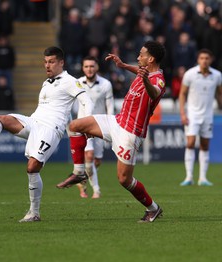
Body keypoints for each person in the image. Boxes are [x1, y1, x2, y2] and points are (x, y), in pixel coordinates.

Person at [0, 46, 93, 222]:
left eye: (51, 62)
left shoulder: (70, 81)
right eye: (45, 62)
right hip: (34, 122)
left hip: (51, 129)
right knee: (1, 119)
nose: (47, 65)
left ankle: (34, 212)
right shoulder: (47, 82)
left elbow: (87, 101)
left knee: (32, 168)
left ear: (61, 62)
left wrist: (85, 123)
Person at [57, 40, 165, 223]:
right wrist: (123, 66)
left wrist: (145, 78)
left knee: (124, 179)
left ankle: (153, 208)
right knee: (75, 126)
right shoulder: (143, 71)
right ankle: (79, 172)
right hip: (117, 120)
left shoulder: (158, 80)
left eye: (141, 54)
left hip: (130, 133)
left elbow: (154, 93)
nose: (138, 57)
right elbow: (140, 72)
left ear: (151, 59)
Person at [58, 56, 114, 199]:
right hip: (83, 126)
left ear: (97, 68)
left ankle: (81, 180)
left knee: (96, 161)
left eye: (92, 66)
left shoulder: (106, 84)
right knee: (89, 157)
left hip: (100, 125)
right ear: (83, 68)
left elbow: (110, 108)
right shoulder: (77, 84)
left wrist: (111, 127)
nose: (89, 69)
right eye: (87, 66)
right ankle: (97, 190)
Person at [178, 49, 222, 186]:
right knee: (190, 143)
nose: (204, 60)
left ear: (211, 59)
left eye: (207, 58)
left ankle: (202, 178)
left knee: (205, 145)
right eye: (202, 58)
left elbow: (220, 93)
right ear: (198, 60)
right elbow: (182, 94)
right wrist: (183, 113)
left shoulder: (217, 75)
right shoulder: (190, 74)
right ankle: (189, 177)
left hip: (208, 115)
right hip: (192, 114)